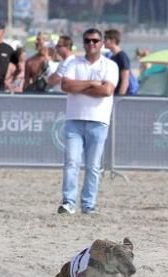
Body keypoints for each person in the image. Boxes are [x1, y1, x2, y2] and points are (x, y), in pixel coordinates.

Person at [57, 28, 119, 215]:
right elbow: (66, 85)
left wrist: (80, 86)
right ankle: (68, 202)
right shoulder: (73, 62)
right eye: (87, 41)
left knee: (93, 166)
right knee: (71, 162)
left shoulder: (110, 65)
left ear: (101, 43)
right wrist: (92, 84)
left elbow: (106, 90)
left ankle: (88, 204)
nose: (91, 44)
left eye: (94, 41)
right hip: (74, 119)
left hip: (98, 120)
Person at [103, 29, 132, 95]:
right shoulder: (113, 57)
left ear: (113, 40)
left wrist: (120, 96)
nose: (103, 41)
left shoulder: (122, 57)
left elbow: (125, 80)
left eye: (105, 38)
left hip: (119, 95)